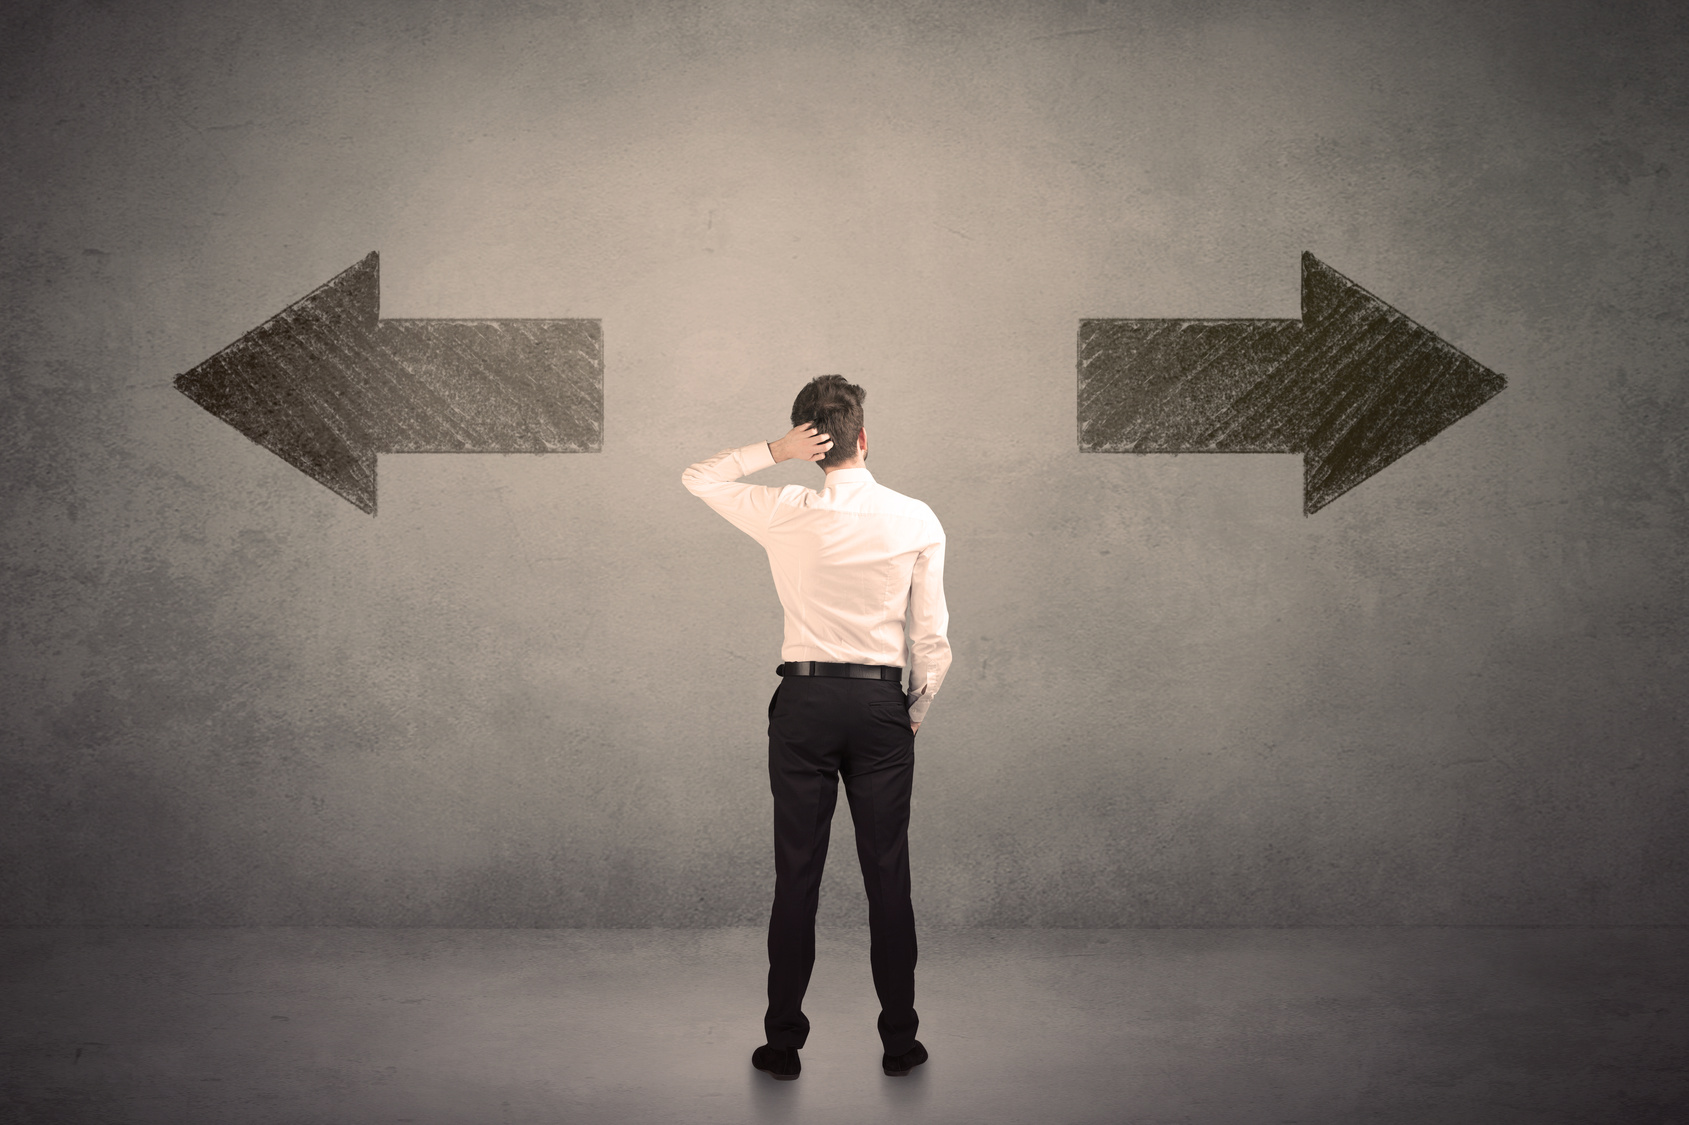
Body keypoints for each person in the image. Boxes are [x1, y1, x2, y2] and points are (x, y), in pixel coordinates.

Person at [681, 374, 952, 1081]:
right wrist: (914, 711)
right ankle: (899, 1042)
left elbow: (698, 476)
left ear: (811, 445)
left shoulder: (784, 509)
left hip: (802, 703)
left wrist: (773, 450)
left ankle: (781, 1044)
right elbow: (932, 638)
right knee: (887, 873)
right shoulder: (915, 516)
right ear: (863, 436)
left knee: (796, 875)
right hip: (879, 704)